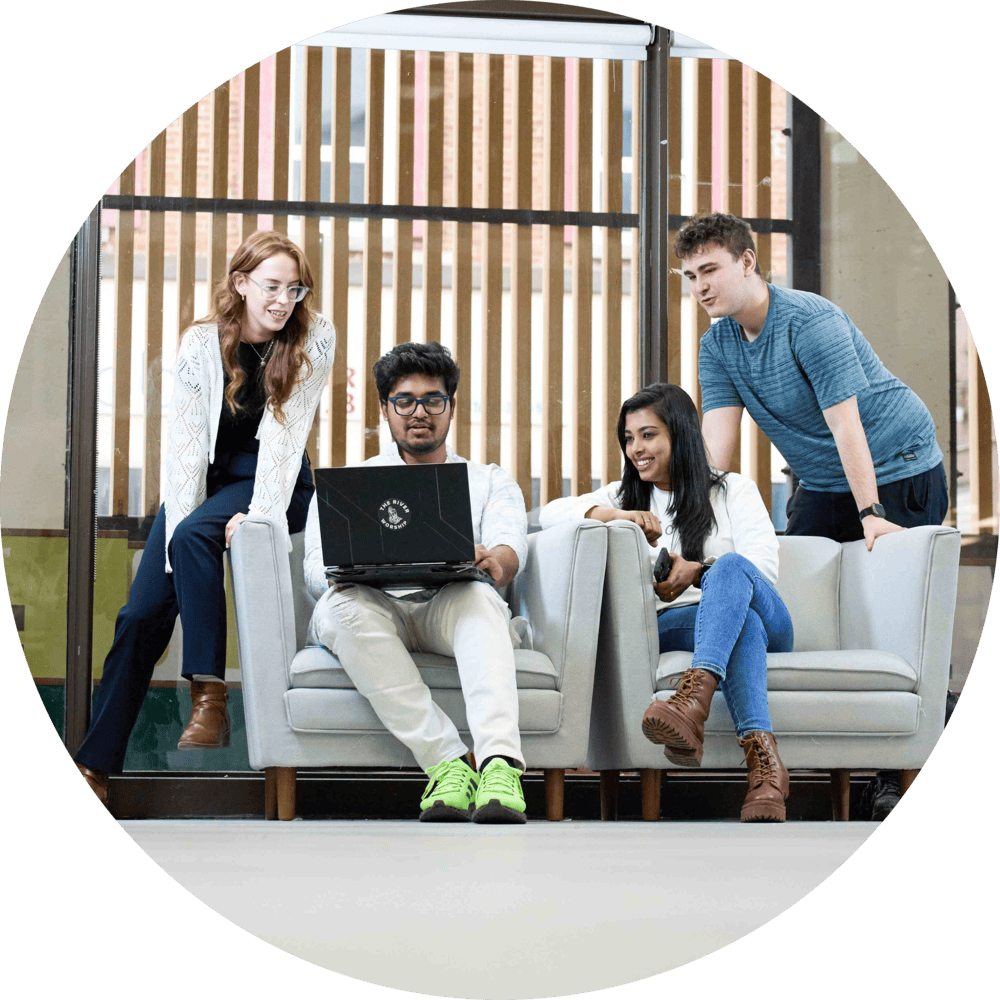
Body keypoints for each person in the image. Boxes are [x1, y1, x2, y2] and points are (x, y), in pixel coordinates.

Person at [679, 211, 948, 820]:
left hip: (898, 465)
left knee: (889, 619)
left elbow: (844, 425)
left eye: (712, 270)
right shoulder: (718, 344)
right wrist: (691, 535)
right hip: (822, 481)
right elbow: (716, 452)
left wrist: (872, 513)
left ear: (748, 263)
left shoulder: (811, 322)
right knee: (797, 612)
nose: (701, 287)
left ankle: (892, 780)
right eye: (690, 275)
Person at [73, 231, 335, 807]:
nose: (283, 300)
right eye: (270, 286)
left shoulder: (314, 336)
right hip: (204, 486)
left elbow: (286, 443)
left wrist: (260, 515)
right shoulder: (200, 345)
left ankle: (209, 698)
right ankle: (93, 770)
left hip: (277, 482)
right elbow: (187, 450)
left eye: (295, 288)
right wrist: (178, 538)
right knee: (141, 614)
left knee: (193, 533)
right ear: (240, 284)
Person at [540, 383, 794, 822]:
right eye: (628, 437)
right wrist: (619, 517)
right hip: (679, 622)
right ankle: (764, 772)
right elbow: (550, 514)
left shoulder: (733, 490)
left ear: (681, 434)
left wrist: (697, 570)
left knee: (733, 573)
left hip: (767, 616)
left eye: (648, 434)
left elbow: (762, 574)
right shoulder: (626, 498)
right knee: (741, 629)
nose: (636, 448)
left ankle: (691, 702)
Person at [303, 342, 529, 823]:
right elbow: (314, 569)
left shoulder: (487, 479)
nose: (419, 412)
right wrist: (360, 561)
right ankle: (448, 763)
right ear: (385, 408)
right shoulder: (351, 484)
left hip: (448, 605)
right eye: (404, 401)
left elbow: (511, 546)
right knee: (338, 609)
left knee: (480, 598)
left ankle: (499, 766)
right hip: (375, 607)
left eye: (433, 400)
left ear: (451, 406)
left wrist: (495, 560)